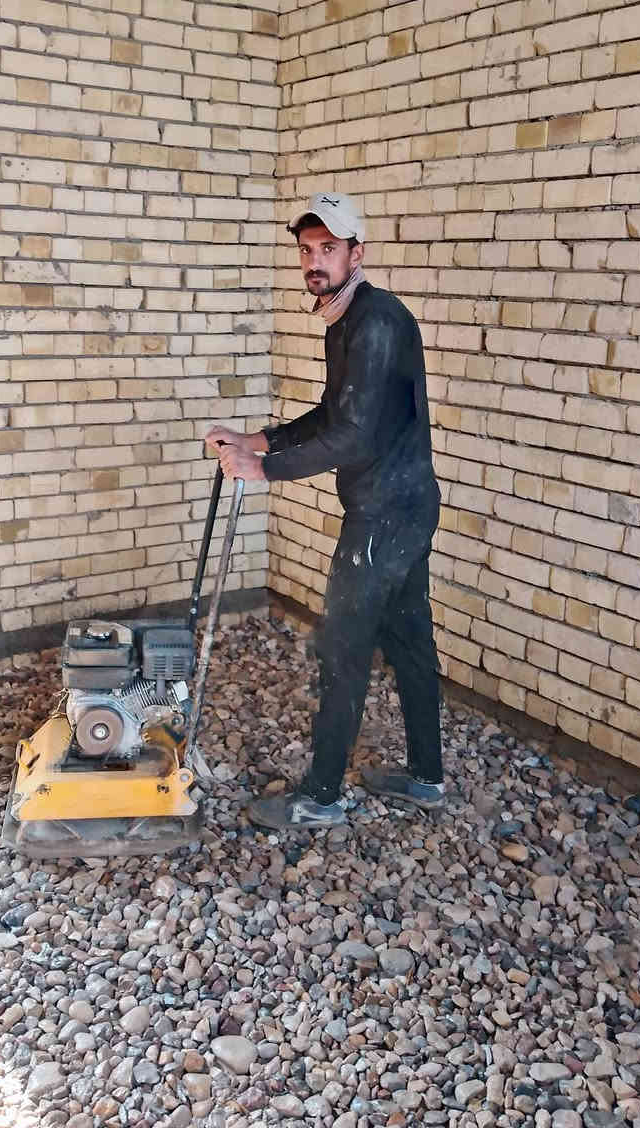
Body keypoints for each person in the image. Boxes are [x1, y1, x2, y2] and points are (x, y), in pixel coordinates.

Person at [205, 191, 444, 831]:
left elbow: (354, 438)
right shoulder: (349, 318)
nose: (315, 261)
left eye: (328, 249)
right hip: (404, 507)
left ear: (355, 254)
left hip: (385, 515)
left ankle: (321, 797)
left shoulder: (374, 323)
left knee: (342, 646)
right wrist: (260, 440)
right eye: (307, 250)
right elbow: (333, 415)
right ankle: (427, 779)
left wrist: (265, 470)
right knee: (409, 640)